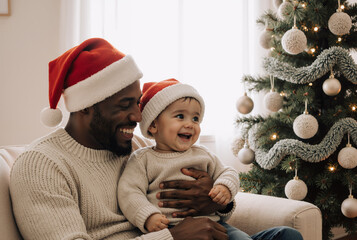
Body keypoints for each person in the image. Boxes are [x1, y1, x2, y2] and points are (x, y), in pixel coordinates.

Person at [9, 37, 303, 240]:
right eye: (124, 105)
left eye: (137, 103)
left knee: (287, 236)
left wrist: (213, 201)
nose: (138, 117)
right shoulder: (42, 166)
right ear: (86, 106)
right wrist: (172, 236)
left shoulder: (131, 147)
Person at [118, 78, 253, 239]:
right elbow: (129, 193)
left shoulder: (203, 154)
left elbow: (228, 172)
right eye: (180, 116)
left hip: (213, 225)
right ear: (153, 125)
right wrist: (148, 217)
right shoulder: (142, 159)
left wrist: (224, 187)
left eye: (195, 118)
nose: (190, 124)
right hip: (168, 228)